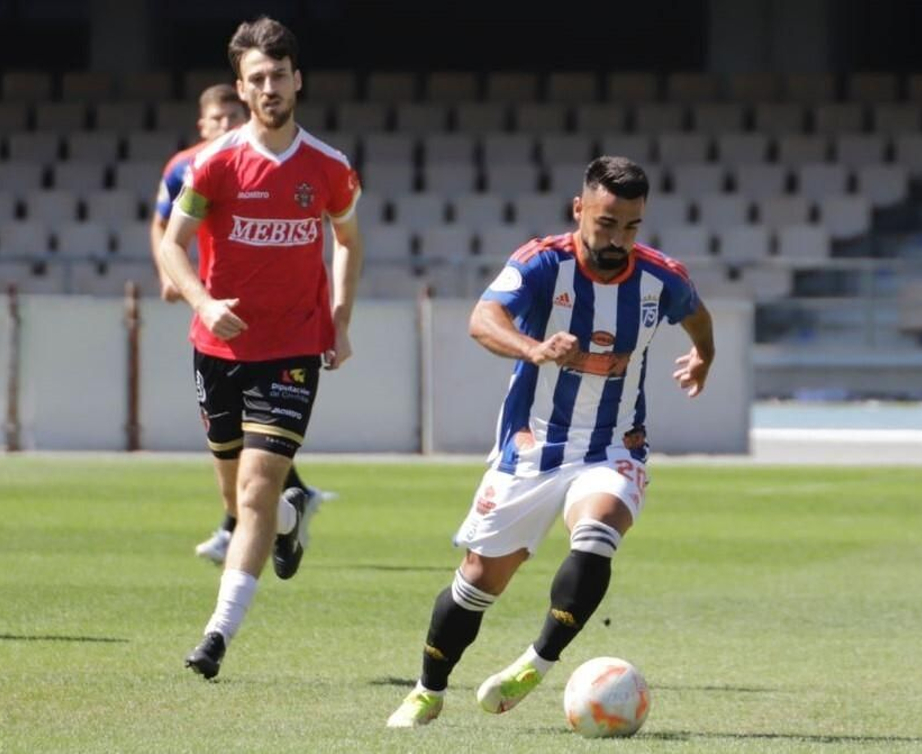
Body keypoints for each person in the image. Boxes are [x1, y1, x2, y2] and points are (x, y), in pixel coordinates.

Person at [385, 156, 714, 727]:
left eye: (632, 226)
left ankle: (537, 661)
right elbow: (483, 319)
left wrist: (704, 356)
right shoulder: (541, 264)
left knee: (598, 528)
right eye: (607, 223)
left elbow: (698, 316)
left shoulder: (662, 278)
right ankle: (427, 689)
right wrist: (532, 348)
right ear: (579, 209)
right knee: (479, 581)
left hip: (615, 445)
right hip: (532, 448)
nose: (618, 239)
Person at [155, 15, 364, 680]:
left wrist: (339, 316)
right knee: (235, 493)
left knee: (254, 489)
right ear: (240, 91)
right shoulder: (212, 164)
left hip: (293, 349)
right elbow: (171, 244)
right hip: (216, 351)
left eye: (278, 75)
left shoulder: (330, 168)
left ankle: (217, 635)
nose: (269, 87)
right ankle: (288, 522)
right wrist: (204, 303)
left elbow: (349, 242)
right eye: (256, 79)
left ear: (297, 80)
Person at [149, 82, 331, 568]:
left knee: (260, 448)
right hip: (213, 320)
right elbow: (164, 230)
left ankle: (246, 526)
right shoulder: (187, 168)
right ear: (202, 124)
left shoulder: (282, 161)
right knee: (231, 454)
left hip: (277, 332)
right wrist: (177, 281)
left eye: (234, 116)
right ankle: (277, 511)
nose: (228, 125)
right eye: (218, 119)